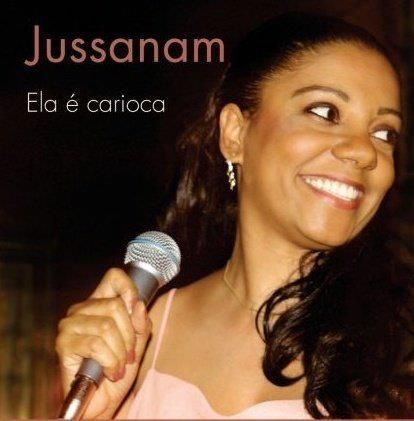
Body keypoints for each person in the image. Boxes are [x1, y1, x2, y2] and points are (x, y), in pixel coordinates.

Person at [55, 12, 414, 419]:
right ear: (235, 134)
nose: (365, 152)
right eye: (325, 112)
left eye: (384, 133)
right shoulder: (140, 332)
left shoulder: (397, 351)